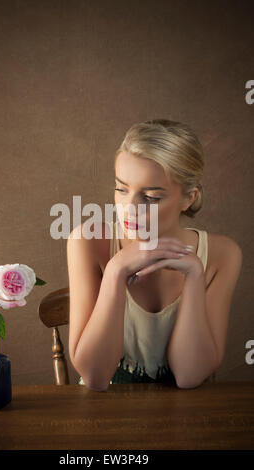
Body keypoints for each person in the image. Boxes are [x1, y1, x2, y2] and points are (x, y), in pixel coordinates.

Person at [67, 119, 243, 391]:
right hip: (101, 415)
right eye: (121, 189)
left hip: (181, 419)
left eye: (150, 197)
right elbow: (95, 377)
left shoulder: (223, 255)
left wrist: (195, 275)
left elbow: (188, 375)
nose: (129, 208)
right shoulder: (87, 241)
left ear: (188, 198)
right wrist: (115, 271)